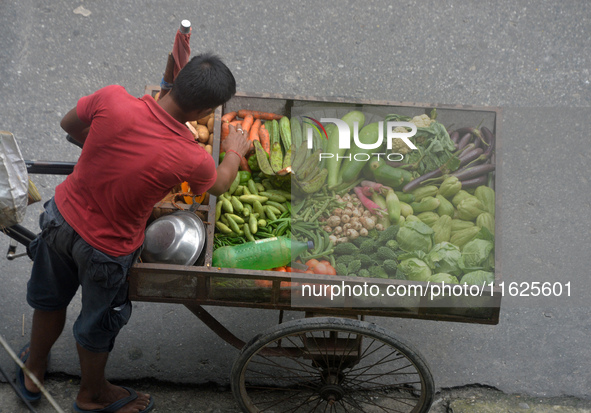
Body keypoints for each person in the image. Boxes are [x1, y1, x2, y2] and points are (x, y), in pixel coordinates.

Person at [17, 53, 250, 413]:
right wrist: (234, 152)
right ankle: (91, 396)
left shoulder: (112, 98)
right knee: (97, 325)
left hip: (60, 220)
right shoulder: (193, 157)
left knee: (49, 301)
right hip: (106, 252)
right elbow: (218, 185)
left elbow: (70, 125)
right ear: (204, 110)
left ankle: (32, 372)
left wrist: (106, 152)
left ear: (177, 80)